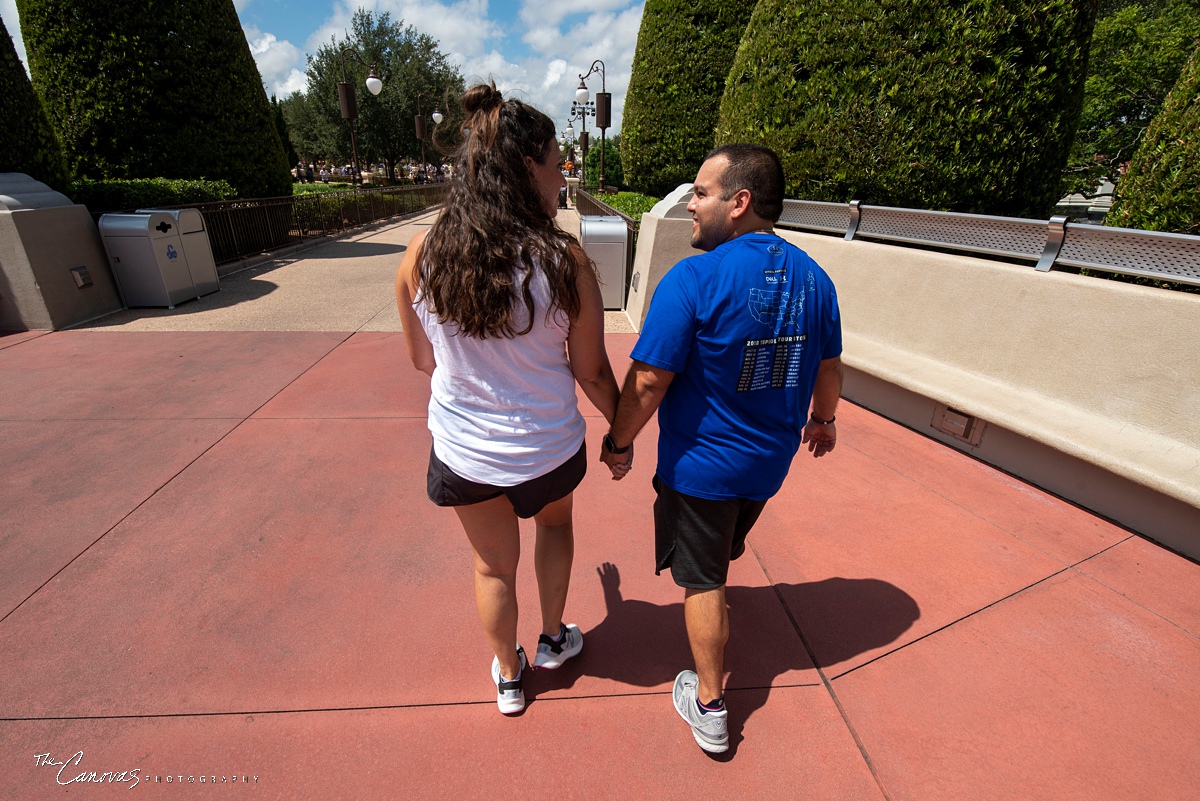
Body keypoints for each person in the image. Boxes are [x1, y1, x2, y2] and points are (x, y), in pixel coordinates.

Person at [600, 144, 843, 753]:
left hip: (703, 468)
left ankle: (709, 705)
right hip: (767, 468)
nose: (690, 203)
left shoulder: (693, 278)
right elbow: (830, 365)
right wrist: (824, 420)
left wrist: (617, 441)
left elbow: (650, 380)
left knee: (703, 579)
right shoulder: (816, 279)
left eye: (702, 194)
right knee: (722, 551)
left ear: (740, 203)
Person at [396, 82, 621, 715]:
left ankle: (509, 675)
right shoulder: (563, 260)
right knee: (555, 525)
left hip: (467, 453)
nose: (562, 177)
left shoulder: (422, 254)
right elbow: (594, 372)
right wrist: (623, 432)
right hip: (548, 447)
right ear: (529, 167)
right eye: (557, 164)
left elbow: (423, 360)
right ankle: (554, 639)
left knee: (493, 566)